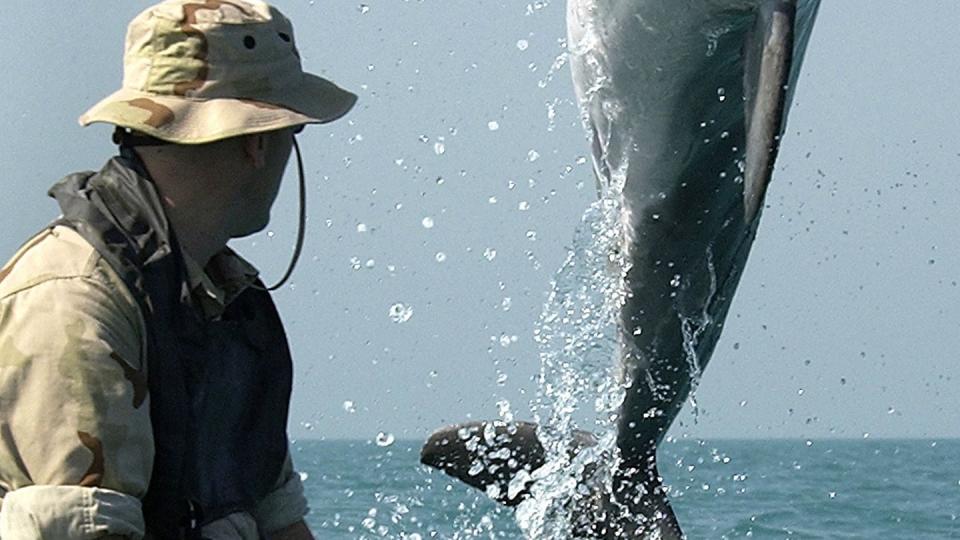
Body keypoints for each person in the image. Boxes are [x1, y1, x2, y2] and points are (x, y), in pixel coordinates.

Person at [0, 1, 356, 538]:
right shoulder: (73, 303)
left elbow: (279, 521)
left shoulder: (224, 296)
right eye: (294, 130)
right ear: (260, 140)